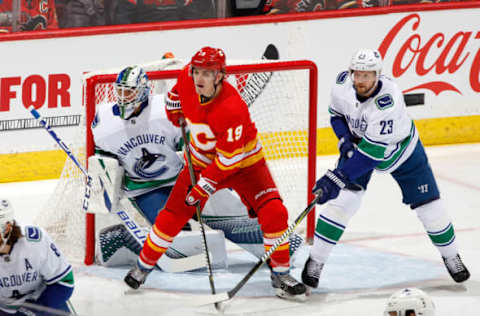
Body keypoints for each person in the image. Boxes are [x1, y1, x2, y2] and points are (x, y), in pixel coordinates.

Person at [123, 46, 307, 301]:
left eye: (207, 74)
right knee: (173, 215)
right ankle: (143, 267)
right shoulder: (187, 78)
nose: (199, 78)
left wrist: (204, 186)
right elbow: (174, 95)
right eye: (198, 71)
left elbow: (229, 160)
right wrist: (173, 109)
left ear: (220, 75)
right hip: (200, 163)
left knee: (275, 212)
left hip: (246, 165)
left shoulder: (233, 108)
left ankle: (281, 275)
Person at [91, 62, 303, 268]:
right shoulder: (104, 122)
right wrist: (105, 183)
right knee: (180, 247)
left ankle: (277, 250)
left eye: (129, 92)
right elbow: (103, 160)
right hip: (145, 189)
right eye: (120, 91)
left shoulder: (163, 111)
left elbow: (198, 146)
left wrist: (219, 177)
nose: (123, 97)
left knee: (235, 220)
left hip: (181, 178)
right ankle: (122, 238)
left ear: (144, 91)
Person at [301, 48, 470, 290]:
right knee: (342, 203)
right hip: (362, 146)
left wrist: (336, 177)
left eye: (367, 75)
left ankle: (451, 255)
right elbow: (336, 115)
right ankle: (315, 261)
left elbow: (373, 155)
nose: (360, 80)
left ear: (377, 75)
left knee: (430, 207)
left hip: (403, 151)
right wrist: (344, 140)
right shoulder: (342, 85)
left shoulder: (387, 102)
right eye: (357, 74)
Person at [0, 199, 74, 316]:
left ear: (7, 228)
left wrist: (36, 311)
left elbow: (65, 281)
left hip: (43, 302)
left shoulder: (35, 241)